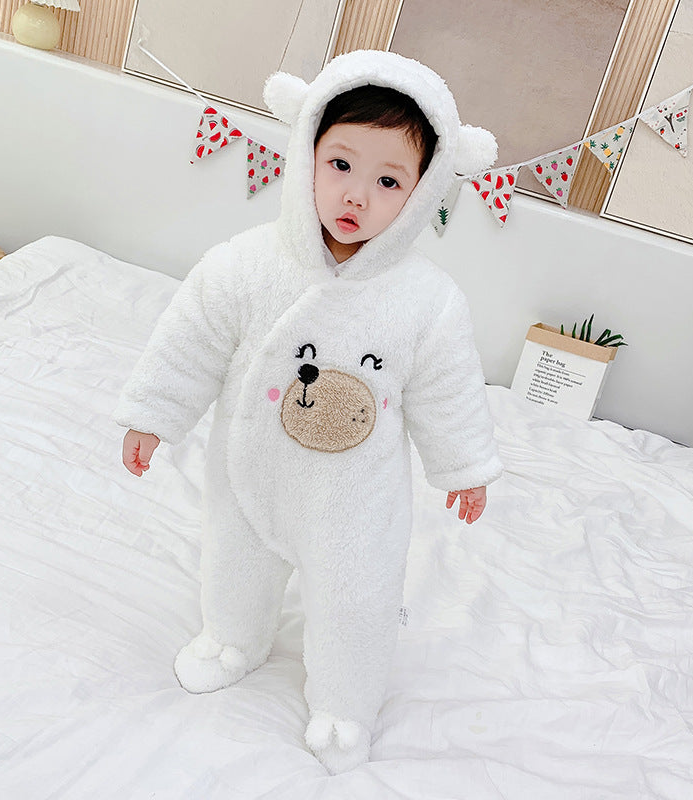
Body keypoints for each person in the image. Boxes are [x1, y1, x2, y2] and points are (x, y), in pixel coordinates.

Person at [115, 50, 502, 774]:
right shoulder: (247, 263)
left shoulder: (427, 301)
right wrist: (154, 415)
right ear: (306, 155)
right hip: (252, 467)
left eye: (389, 181)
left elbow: (447, 390)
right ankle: (233, 638)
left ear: (423, 191)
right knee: (234, 562)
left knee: (356, 599)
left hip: (355, 496)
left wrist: (464, 466)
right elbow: (191, 340)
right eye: (340, 164)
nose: (357, 195)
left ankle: (345, 704)